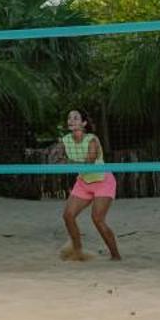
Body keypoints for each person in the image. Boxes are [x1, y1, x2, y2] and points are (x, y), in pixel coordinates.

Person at [54, 109, 119, 261]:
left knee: (97, 219)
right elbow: (54, 158)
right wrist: (57, 158)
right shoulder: (65, 140)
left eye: (76, 118)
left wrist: (66, 162)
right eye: (69, 118)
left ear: (84, 123)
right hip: (84, 181)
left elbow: (89, 163)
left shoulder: (92, 139)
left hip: (102, 180)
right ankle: (78, 252)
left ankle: (116, 255)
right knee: (68, 215)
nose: (71, 120)